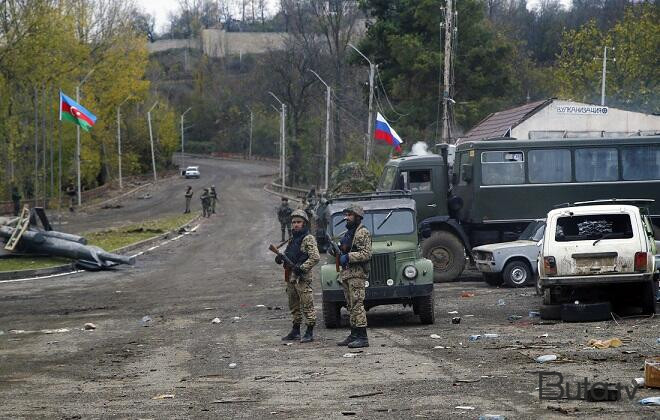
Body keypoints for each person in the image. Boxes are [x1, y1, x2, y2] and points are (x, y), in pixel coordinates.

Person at [275, 209, 320, 343]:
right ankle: (295, 330)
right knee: (293, 305)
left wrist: (301, 268)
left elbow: (315, 257)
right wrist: (280, 258)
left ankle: (309, 331)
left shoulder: (308, 238)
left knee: (307, 304)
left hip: (302, 278)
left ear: (304, 224)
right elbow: (289, 255)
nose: (295, 225)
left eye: (298, 222)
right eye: (293, 222)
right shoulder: (293, 238)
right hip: (291, 277)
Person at [333, 203, 372, 348]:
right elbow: (344, 249)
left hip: (356, 274)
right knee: (350, 306)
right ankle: (354, 334)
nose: (346, 218)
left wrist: (348, 257)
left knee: (357, 305)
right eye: (346, 215)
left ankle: (362, 337)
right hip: (347, 274)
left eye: (349, 215)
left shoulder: (362, 232)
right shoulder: (349, 233)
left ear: (357, 217)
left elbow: (366, 253)